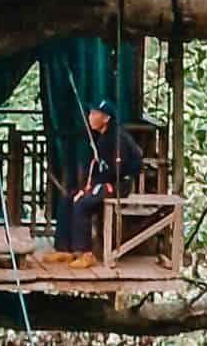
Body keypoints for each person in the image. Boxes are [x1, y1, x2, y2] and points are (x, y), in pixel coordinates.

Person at [43, 98, 143, 269]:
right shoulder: (101, 137)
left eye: (94, 114)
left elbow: (116, 170)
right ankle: (65, 248)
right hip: (102, 181)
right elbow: (98, 166)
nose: (90, 117)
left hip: (117, 185)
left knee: (83, 203)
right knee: (69, 198)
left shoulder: (118, 138)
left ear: (106, 118)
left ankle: (85, 253)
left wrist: (93, 187)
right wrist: (88, 186)